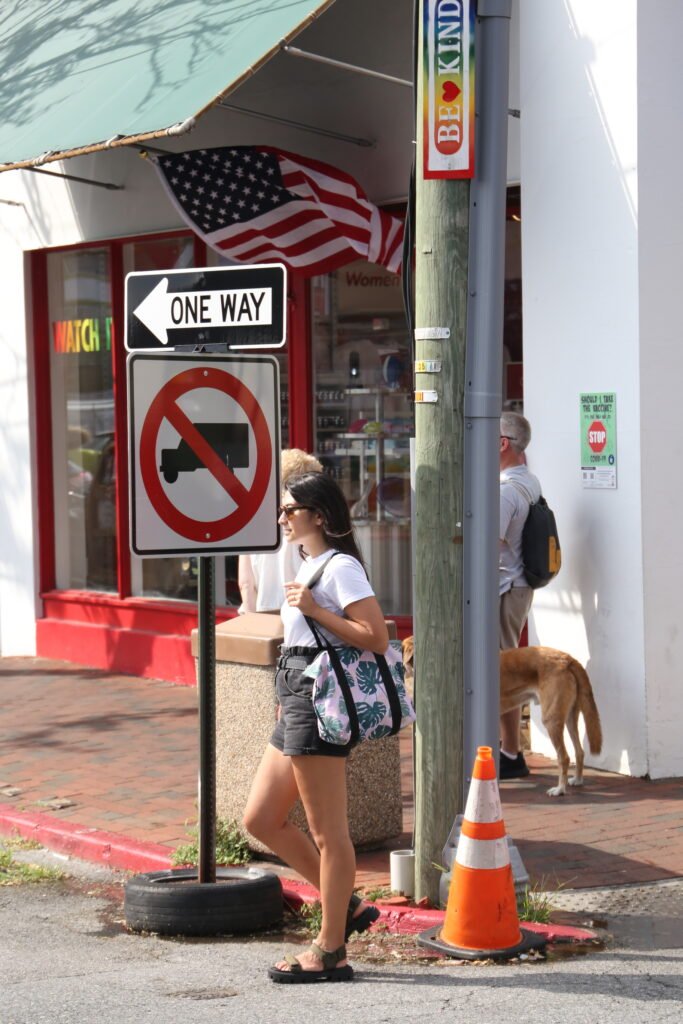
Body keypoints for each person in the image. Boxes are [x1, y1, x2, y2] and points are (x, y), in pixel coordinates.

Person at [243, 471, 389, 984]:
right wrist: (284, 699)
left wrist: (314, 609)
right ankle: (345, 905)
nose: (282, 518)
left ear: (319, 515)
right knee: (261, 819)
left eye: (290, 509)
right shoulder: (309, 562)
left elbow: (375, 637)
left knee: (329, 833)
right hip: (296, 695)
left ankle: (331, 951)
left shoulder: (340, 567)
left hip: (319, 699)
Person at [499, 411, 542, 780]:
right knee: (504, 667)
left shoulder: (505, 491)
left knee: (501, 671)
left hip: (504, 588)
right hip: (518, 586)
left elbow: (489, 543)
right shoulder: (529, 480)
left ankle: (510, 753)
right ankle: (508, 750)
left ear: (502, 443)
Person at [237, 449, 323, 614]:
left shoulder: (253, 523)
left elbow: (246, 584)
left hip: (262, 615)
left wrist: (250, 618)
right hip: (302, 615)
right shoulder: (307, 526)